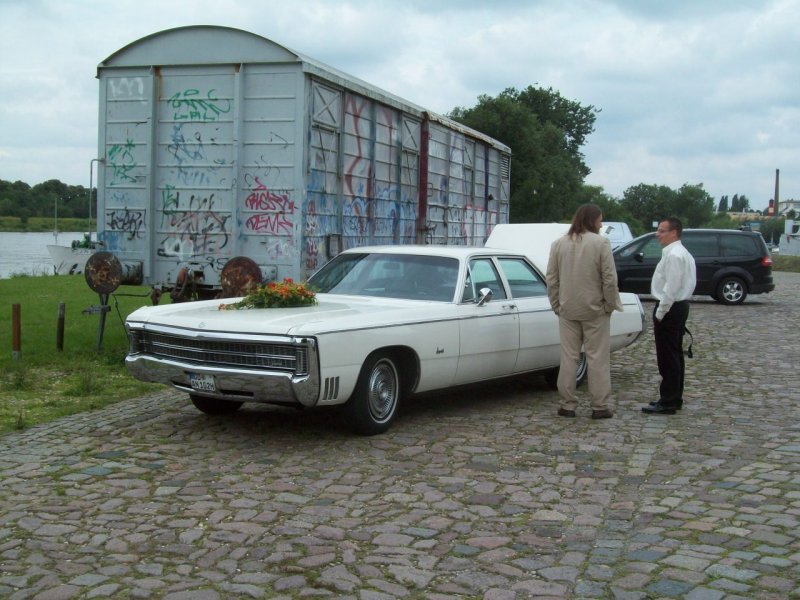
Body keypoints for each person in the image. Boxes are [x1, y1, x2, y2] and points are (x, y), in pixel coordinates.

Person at [546, 204, 623, 419]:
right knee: (597, 358)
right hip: (595, 310)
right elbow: (609, 278)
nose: (601, 224)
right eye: (600, 220)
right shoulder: (601, 243)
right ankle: (599, 406)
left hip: (567, 309)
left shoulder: (558, 244)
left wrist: (556, 305)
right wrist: (609, 304)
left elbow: (551, 279)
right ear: (592, 220)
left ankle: (567, 404)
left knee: (569, 357)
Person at [641, 217, 696, 415]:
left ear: (674, 233)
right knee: (674, 354)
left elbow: (671, 288)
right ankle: (674, 397)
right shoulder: (681, 253)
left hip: (671, 307)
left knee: (668, 356)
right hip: (678, 306)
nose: (658, 234)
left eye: (662, 231)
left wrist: (661, 311)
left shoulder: (674, 255)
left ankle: (668, 400)